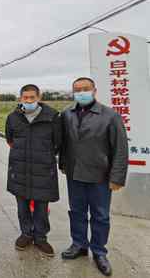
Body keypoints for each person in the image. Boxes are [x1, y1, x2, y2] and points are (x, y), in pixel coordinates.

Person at [60, 77, 128, 276]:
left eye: (85, 89)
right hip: (75, 174)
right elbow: (64, 142)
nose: (81, 92)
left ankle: (99, 251)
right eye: (77, 89)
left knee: (100, 215)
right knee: (77, 211)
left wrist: (117, 177)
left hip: (100, 175)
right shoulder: (67, 113)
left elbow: (120, 149)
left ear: (94, 91)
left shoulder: (110, 116)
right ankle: (79, 245)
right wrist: (63, 164)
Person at [5, 84, 62, 257]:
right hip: (19, 169)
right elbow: (10, 140)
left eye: (32, 98)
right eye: (25, 98)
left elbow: (58, 143)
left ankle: (41, 237)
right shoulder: (13, 117)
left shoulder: (52, 117)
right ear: (20, 98)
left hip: (43, 170)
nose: (29, 101)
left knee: (41, 207)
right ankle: (26, 234)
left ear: (39, 97)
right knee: (22, 206)